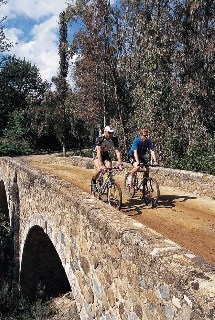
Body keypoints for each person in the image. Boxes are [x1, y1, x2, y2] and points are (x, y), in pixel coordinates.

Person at [91, 125, 123, 190]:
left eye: (112, 133)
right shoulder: (99, 139)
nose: (111, 134)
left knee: (109, 168)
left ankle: (108, 182)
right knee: (99, 169)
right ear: (105, 132)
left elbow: (118, 152)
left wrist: (120, 164)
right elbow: (99, 152)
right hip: (97, 154)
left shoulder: (114, 139)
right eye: (109, 132)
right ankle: (93, 181)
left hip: (105, 154)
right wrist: (101, 165)